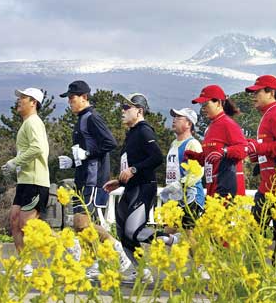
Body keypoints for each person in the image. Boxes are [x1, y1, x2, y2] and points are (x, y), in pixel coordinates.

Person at [57, 80, 130, 278]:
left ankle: (117, 250)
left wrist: (86, 155)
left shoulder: (91, 118)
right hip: (83, 177)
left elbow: (110, 143)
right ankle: (95, 264)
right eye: (69, 98)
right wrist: (72, 162)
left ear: (84, 97)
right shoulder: (81, 118)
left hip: (93, 178)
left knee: (81, 223)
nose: (70, 102)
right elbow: (84, 150)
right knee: (80, 227)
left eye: (72, 98)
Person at [103, 93, 164, 282]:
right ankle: (142, 272)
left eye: (127, 108)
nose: (122, 111)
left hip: (144, 188)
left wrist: (135, 169)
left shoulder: (144, 130)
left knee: (133, 231)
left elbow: (156, 158)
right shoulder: (132, 133)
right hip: (131, 188)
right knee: (122, 233)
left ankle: (173, 241)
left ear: (139, 111)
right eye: (122, 107)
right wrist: (120, 181)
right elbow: (131, 164)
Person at [244, 75, 276, 276]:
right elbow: (268, 149)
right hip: (267, 185)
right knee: (256, 230)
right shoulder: (267, 115)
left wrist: (259, 147)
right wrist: (254, 151)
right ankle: (255, 269)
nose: (253, 96)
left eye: (257, 92)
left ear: (271, 93)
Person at [2, 88, 50, 277]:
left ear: (33, 102)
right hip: (25, 182)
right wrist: (15, 167)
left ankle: (69, 244)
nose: (19, 100)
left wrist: (14, 163)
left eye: (23, 97)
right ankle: (25, 264)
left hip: (36, 182)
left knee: (27, 226)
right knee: (14, 221)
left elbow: (37, 148)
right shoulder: (27, 124)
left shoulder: (33, 122)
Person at [185, 85, 248, 198]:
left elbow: (243, 149)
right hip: (213, 188)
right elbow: (211, 157)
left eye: (206, 104)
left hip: (227, 190)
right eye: (201, 105)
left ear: (218, 103)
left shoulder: (227, 124)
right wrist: (196, 157)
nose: (203, 108)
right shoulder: (211, 127)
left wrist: (225, 151)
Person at [159, 107, 205, 237]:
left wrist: (180, 184)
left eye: (179, 118)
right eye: (174, 117)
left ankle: (201, 257)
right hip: (174, 196)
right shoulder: (174, 143)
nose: (174, 120)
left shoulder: (193, 144)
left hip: (190, 196)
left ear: (189, 124)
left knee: (190, 235)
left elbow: (197, 171)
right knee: (168, 233)